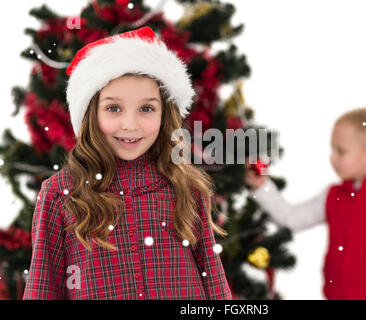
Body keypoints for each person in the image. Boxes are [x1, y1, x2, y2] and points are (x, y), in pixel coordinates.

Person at [23, 27, 232, 300]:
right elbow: (43, 288)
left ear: (164, 114)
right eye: (113, 108)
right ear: (90, 113)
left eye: (146, 108)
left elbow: (214, 284)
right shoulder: (60, 192)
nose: (130, 125)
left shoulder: (185, 185)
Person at [245, 107, 366, 300]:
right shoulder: (333, 196)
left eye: (341, 151)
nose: (332, 157)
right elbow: (290, 219)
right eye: (333, 149)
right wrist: (262, 186)